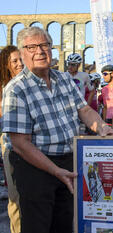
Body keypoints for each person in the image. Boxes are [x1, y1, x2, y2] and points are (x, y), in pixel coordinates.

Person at [1, 27, 113, 233]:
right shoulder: (16, 88)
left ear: (52, 49)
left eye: (44, 45)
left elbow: (84, 110)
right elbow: (20, 143)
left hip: (68, 162)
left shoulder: (63, 79)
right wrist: (54, 171)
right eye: (32, 47)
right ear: (23, 52)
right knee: (38, 226)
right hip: (34, 166)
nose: (40, 51)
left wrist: (103, 128)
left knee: (65, 224)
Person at [0, 45, 23, 233]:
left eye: (21, 59)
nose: (19, 64)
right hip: (9, 142)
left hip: (33, 142)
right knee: (15, 194)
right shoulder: (2, 88)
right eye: (14, 61)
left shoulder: (30, 83)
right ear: (6, 65)